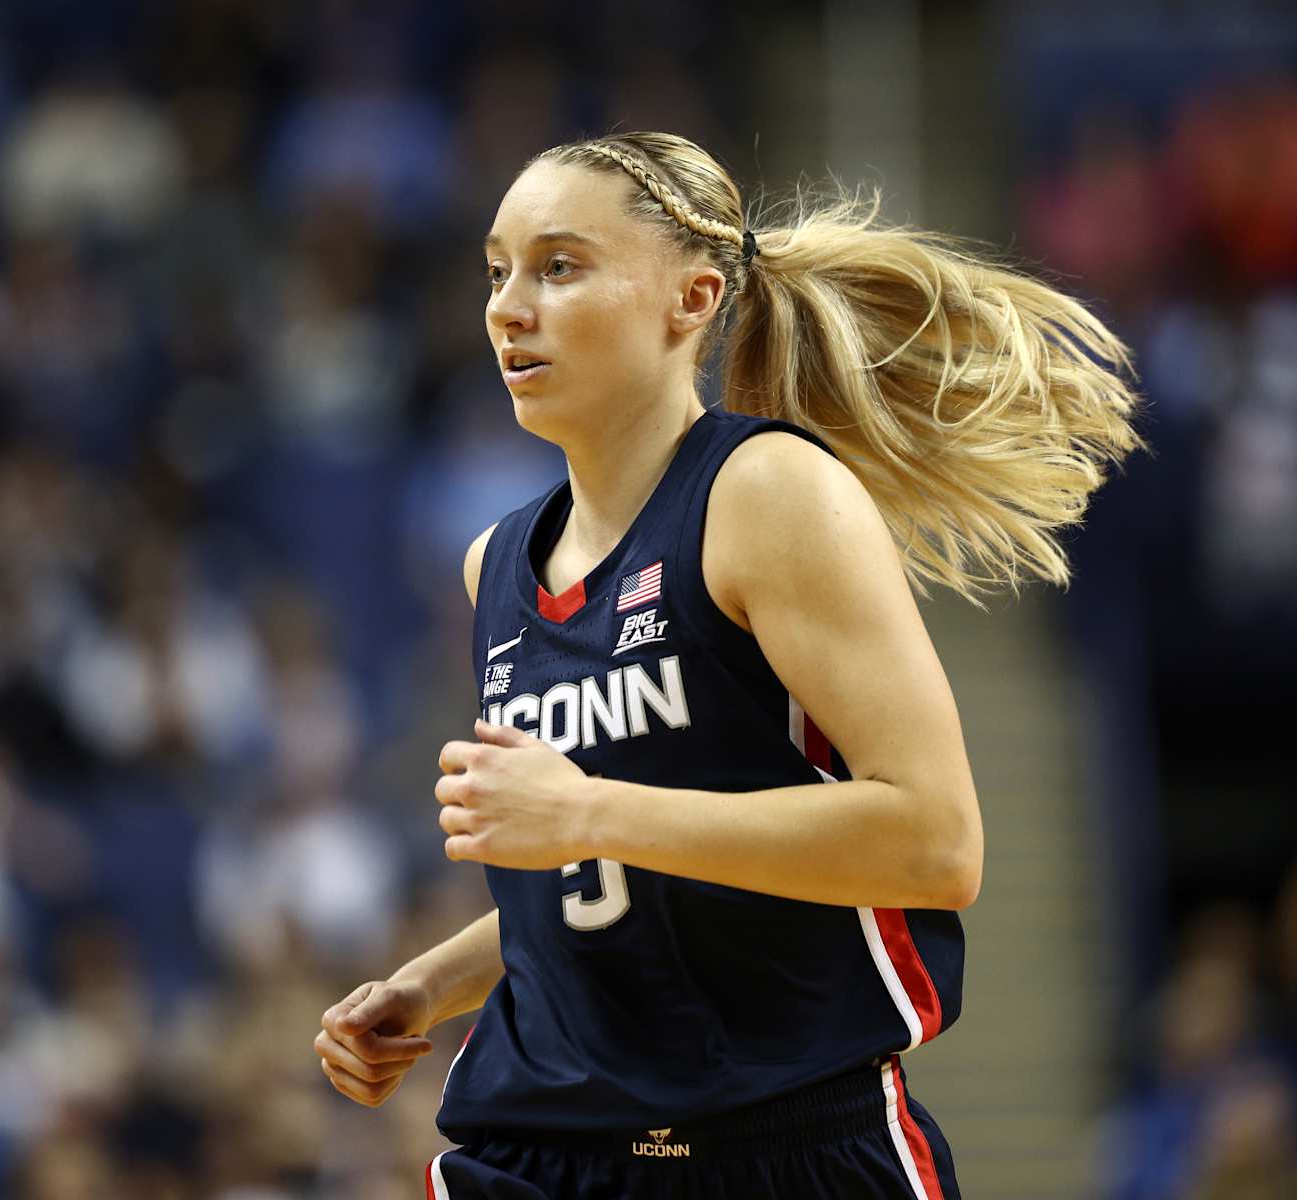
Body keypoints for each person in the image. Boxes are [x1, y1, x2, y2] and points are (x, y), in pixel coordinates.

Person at [313, 131, 1143, 1199]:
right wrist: (431, 987)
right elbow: (611, 876)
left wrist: (588, 811)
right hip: (545, 1152)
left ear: (692, 298)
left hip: (781, 1151)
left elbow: (935, 842)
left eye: (559, 267)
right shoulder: (496, 567)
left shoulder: (767, 493)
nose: (509, 308)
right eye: (497, 271)